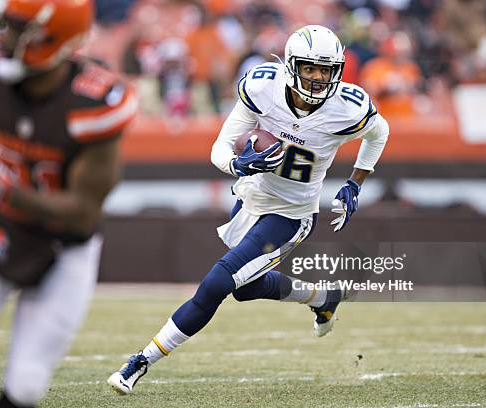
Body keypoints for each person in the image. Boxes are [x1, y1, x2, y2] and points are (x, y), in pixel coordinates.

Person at [108, 25, 389, 395]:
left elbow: (378, 132)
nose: (319, 78)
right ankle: (325, 298)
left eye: (326, 70)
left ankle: (139, 362)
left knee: (217, 284)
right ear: (291, 66)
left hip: (290, 215)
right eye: (310, 68)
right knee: (246, 287)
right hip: (250, 196)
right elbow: (220, 148)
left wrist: (355, 182)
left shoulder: (346, 107)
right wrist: (238, 166)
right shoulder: (262, 88)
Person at [0, 0, 137, 407]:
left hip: (64, 249)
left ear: (53, 39)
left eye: (19, 29)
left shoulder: (93, 104)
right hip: (4, 227)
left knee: (25, 386)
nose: (4, 38)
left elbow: (83, 209)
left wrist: (4, 192)